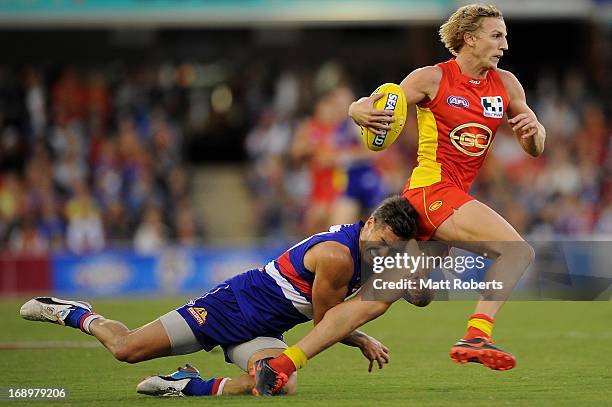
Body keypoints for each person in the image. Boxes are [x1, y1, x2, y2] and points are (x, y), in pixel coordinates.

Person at [254, 3, 546, 392]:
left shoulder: (507, 84)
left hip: (448, 198)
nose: (505, 44)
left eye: (505, 36)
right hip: (431, 190)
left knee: (378, 301)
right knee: (517, 251)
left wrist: (534, 131)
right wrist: (357, 110)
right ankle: (477, 334)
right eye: (497, 35)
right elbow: (374, 104)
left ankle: (281, 364)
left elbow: (534, 147)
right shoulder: (432, 78)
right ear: (469, 39)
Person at [20, 195, 420, 397]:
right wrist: (363, 337)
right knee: (126, 349)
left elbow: (418, 298)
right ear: (369, 223)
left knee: (279, 384)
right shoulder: (337, 256)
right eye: (380, 242)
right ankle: (76, 313)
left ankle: (183, 385)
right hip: (230, 307)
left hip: (266, 328)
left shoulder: (375, 254)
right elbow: (325, 322)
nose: (382, 253)